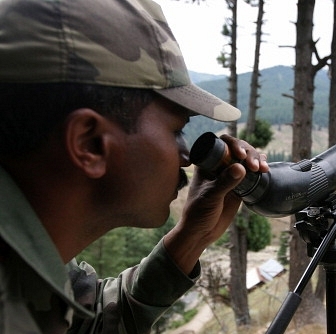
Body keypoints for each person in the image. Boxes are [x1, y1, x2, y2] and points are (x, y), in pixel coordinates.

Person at [0, 0, 269, 333]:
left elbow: (86, 321)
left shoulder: (23, 271)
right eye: (177, 130)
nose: (187, 157)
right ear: (91, 143)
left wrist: (191, 236)